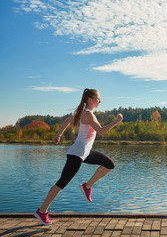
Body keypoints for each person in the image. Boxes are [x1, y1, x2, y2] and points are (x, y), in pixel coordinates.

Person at [34, 88, 123, 225]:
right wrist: (117, 121)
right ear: (89, 100)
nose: (100, 101)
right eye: (98, 98)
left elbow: (67, 121)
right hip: (77, 154)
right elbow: (101, 131)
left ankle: (87, 186)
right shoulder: (88, 115)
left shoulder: (84, 113)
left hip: (85, 152)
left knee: (109, 165)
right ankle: (42, 211)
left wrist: (59, 134)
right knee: (61, 183)